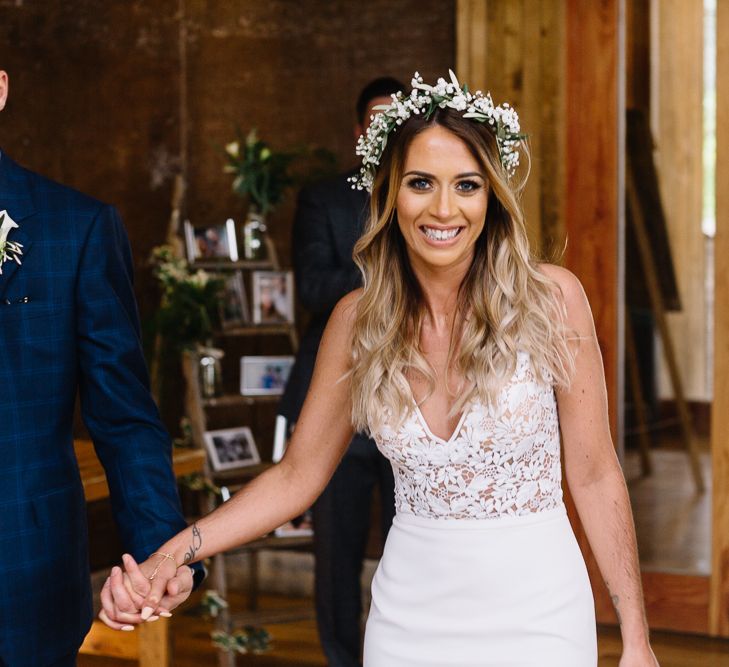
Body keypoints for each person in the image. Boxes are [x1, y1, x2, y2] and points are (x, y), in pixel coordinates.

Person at [104, 71, 658, 666]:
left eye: (466, 185)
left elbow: (596, 473)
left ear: (491, 196)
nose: (443, 208)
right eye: (421, 183)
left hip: (540, 611)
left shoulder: (553, 299)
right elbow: (296, 477)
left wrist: (636, 638)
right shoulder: (357, 321)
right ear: (390, 192)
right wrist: (175, 552)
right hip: (409, 618)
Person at [0, 69, 201, 666]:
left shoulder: (75, 228)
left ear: (2, 88)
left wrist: (163, 552)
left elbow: (123, 417)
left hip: (21, 574)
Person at [277, 76, 404, 667]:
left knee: (411, 548)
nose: (385, 131)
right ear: (359, 132)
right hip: (340, 398)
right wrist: (396, 275)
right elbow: (313, 287)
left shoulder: (429, 197)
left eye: (396, 120)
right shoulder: (324, 198)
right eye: (375, 121)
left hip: (415, 401)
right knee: (337, 554)